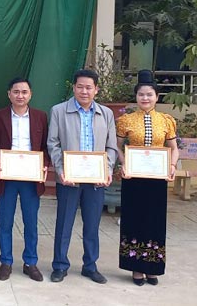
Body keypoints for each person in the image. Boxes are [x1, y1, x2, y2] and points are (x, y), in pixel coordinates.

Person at [47, 69, 119, 284]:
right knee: (64, 223)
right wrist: (61, 170)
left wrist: (106, 170)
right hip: (69, 178)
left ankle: (90, 265)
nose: (84, 91)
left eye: (89, 87)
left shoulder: (105, 114)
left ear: (96, 90)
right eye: (80, 87)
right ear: (74, 88)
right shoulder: (59, 111)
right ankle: (60, 265)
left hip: (95, 180)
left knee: (92, 224)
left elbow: (111, 147)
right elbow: (53, 143)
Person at [116, 70, 180, 286]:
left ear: (156, 97)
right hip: (133, 178)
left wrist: (171, 166)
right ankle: (135, 268)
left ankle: (152, 267)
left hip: (157, 179)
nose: (145, 98)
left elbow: (173, 148)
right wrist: (123, 162)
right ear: (136, 97)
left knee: (154, 222)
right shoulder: (126, 121)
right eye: (141, 94)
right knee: (134, 220)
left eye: (149, 94)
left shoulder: (166, 121)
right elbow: (116, 146)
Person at [0, 77, 51, 282]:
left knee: (31, 222)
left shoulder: (40, 117)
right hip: (7, 176)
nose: (20, 96)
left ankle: (30, 262)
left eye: (24, 92)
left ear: (30, 94)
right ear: (9, 94)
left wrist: (45, 163)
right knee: (5, 221)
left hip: (31, 178)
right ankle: (6, 261)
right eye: (16, 92)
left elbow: (45, 146)